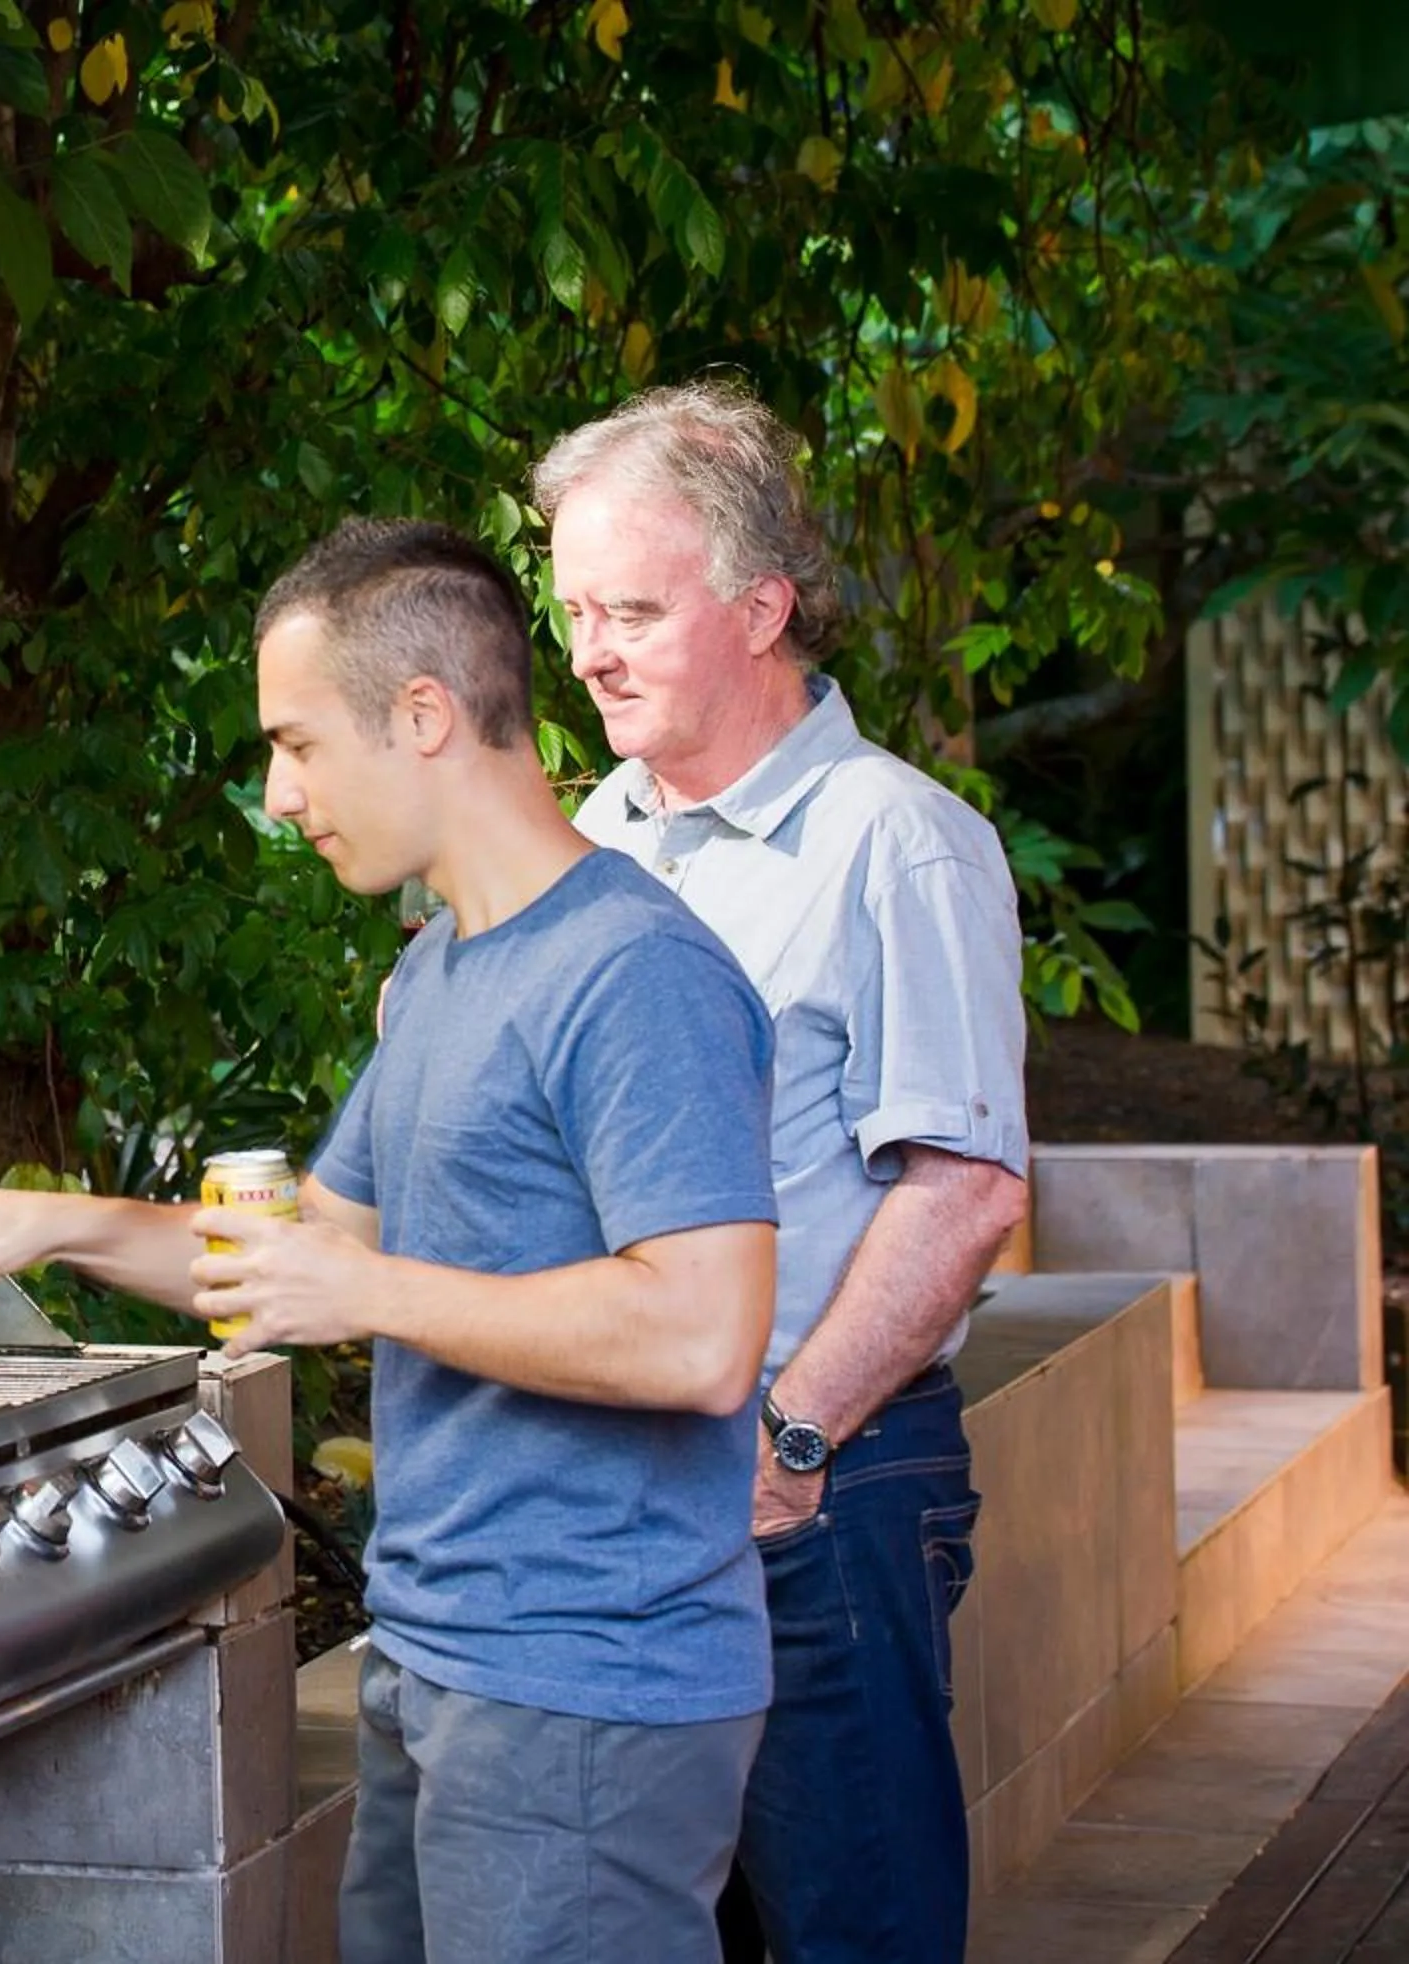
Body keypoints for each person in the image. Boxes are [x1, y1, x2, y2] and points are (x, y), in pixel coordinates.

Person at [0, 518, 784, 1963]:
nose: (277, 793)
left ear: (422, 715)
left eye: (297, 744)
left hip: (583, 1685)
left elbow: (702, 1335)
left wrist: (367, 1288)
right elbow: (297, 1255)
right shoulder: (441, 965)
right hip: (436, 1659)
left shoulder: (635, 975)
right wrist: (48, 1226)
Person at [535, 380, 1032, 1964]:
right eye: (571, 612)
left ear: (761, 610)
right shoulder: (572, 854)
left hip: (815, 1486)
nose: (590, 652)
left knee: (849, 1931)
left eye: (631, 610)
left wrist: (791, 1440)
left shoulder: (899, 843)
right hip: (604, 1506)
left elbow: (962, 1190)